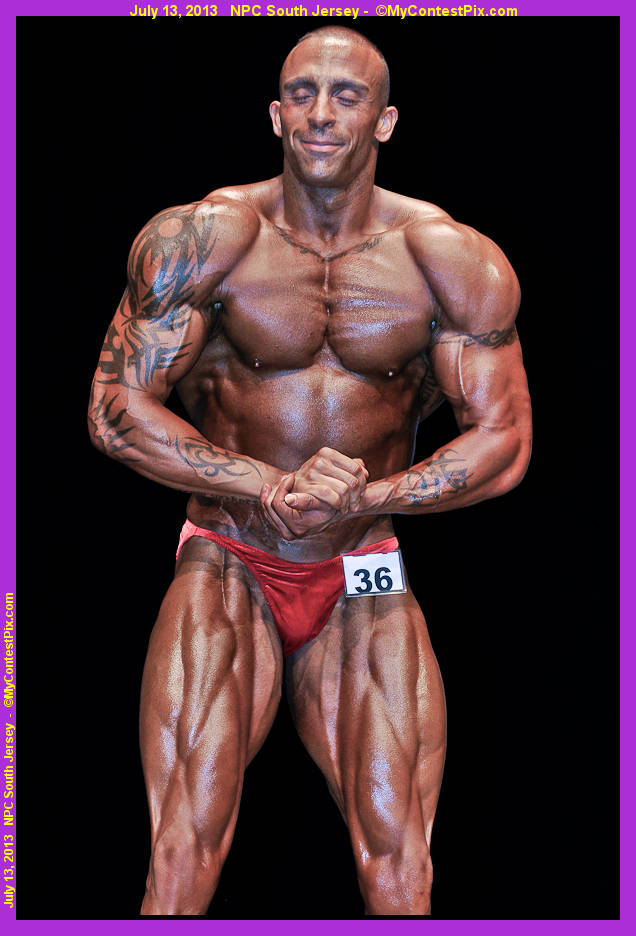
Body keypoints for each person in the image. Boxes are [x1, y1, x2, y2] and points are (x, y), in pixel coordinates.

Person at [88, 26, 532, 917]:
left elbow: (505, 442)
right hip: (230, 550)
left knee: (400, 859)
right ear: (274, 113)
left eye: (346, 95)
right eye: (302, 93)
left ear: (386, 121)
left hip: (362, 561)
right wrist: (262, 485)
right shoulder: (207, 237)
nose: (321, 113)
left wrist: (372, 496)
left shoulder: (449, 259)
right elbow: (113, 409)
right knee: (184, 846)